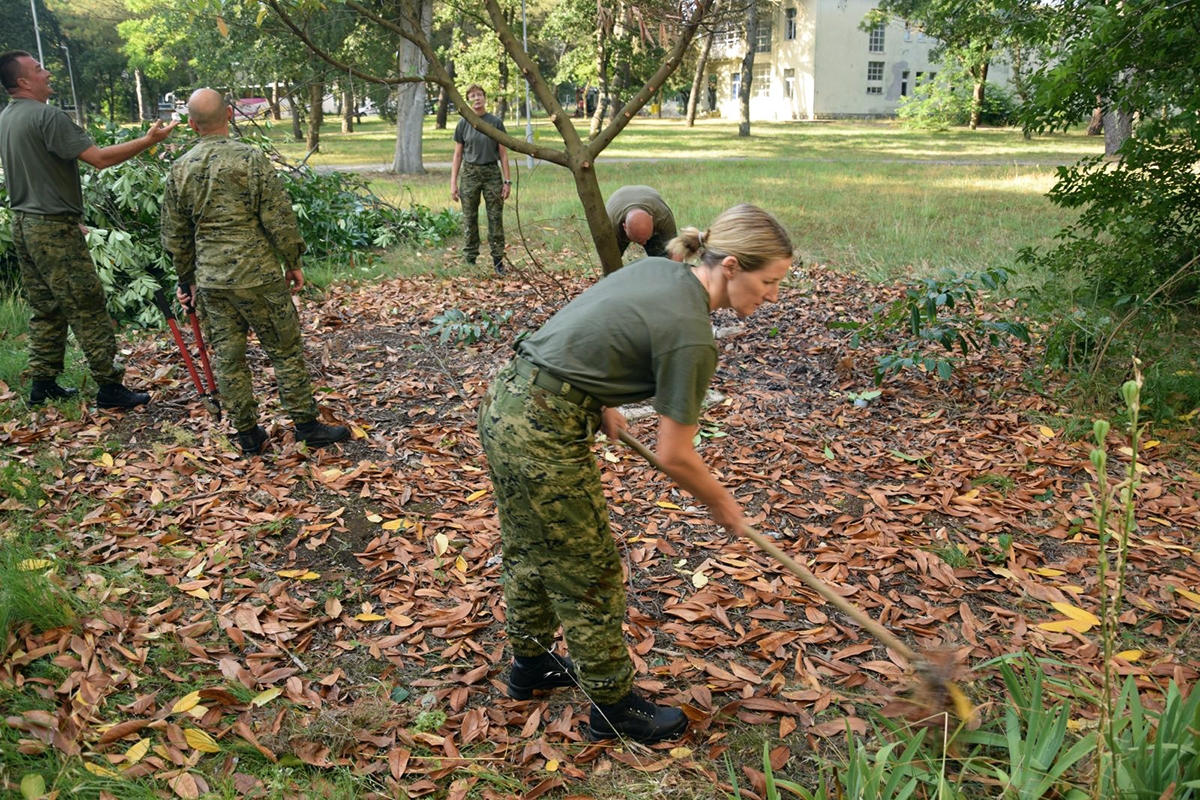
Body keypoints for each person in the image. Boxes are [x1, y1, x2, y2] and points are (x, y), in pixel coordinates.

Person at [478, 204, 793, 744]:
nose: (773, 297)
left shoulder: (661, 270)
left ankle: (530, 665)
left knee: (532, 549)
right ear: (734, 266)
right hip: (543, 431)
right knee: (589, 572)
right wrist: (721, 502)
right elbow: (675, 453)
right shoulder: (692, 335)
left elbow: (592, 328)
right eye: (769, 282)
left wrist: (597, 397)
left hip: (510, 399)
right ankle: (615, 708)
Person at [162, 88, 349, 455]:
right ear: (229, 115)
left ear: (190, 123)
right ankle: (306, 426)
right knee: (284, 350)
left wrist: (186, 278)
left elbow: (176, 233)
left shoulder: (181, 167)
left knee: (228, 358)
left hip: (213, 279)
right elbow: (278, 217)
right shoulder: (251, 159)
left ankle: (248, 434)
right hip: (258, 274)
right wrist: (292, 260)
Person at [0, 50, 177, 409]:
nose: (47, 73)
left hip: (25, 224)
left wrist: (64, 215)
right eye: (38, 70)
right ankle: (110, 388)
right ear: (22, 81)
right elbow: (99, 159)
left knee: (47, 307)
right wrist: (148, 141)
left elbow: (38, 172)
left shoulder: (7, 117)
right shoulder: (49, 116)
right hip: (51, 230)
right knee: (88, 306)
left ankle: (43, 383)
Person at [450, 84, 510, 274]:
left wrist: (507, 182)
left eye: (479, 95)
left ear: (485, 98)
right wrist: (453, 183)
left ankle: (498, 261)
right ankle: (470, 259)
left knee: (495, 218)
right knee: (469, 218)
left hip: (491, 173)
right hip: (469, 174)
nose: (476, 99)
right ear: (468, 99)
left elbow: (503, 154)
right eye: (472, 96)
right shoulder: (463, 123)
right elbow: (458, 155)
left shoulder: (495, 122)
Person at [605, 185, 681, 262]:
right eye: (639, 240)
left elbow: (675, 250)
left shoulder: (663, 217)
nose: (643, 243)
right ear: (625, 227)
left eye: (647, 238)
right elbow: (607, 261)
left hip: (649, 197)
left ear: (651, 219)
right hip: (617, 204)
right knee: (612, 260)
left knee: (663, 260)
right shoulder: (611, 226)